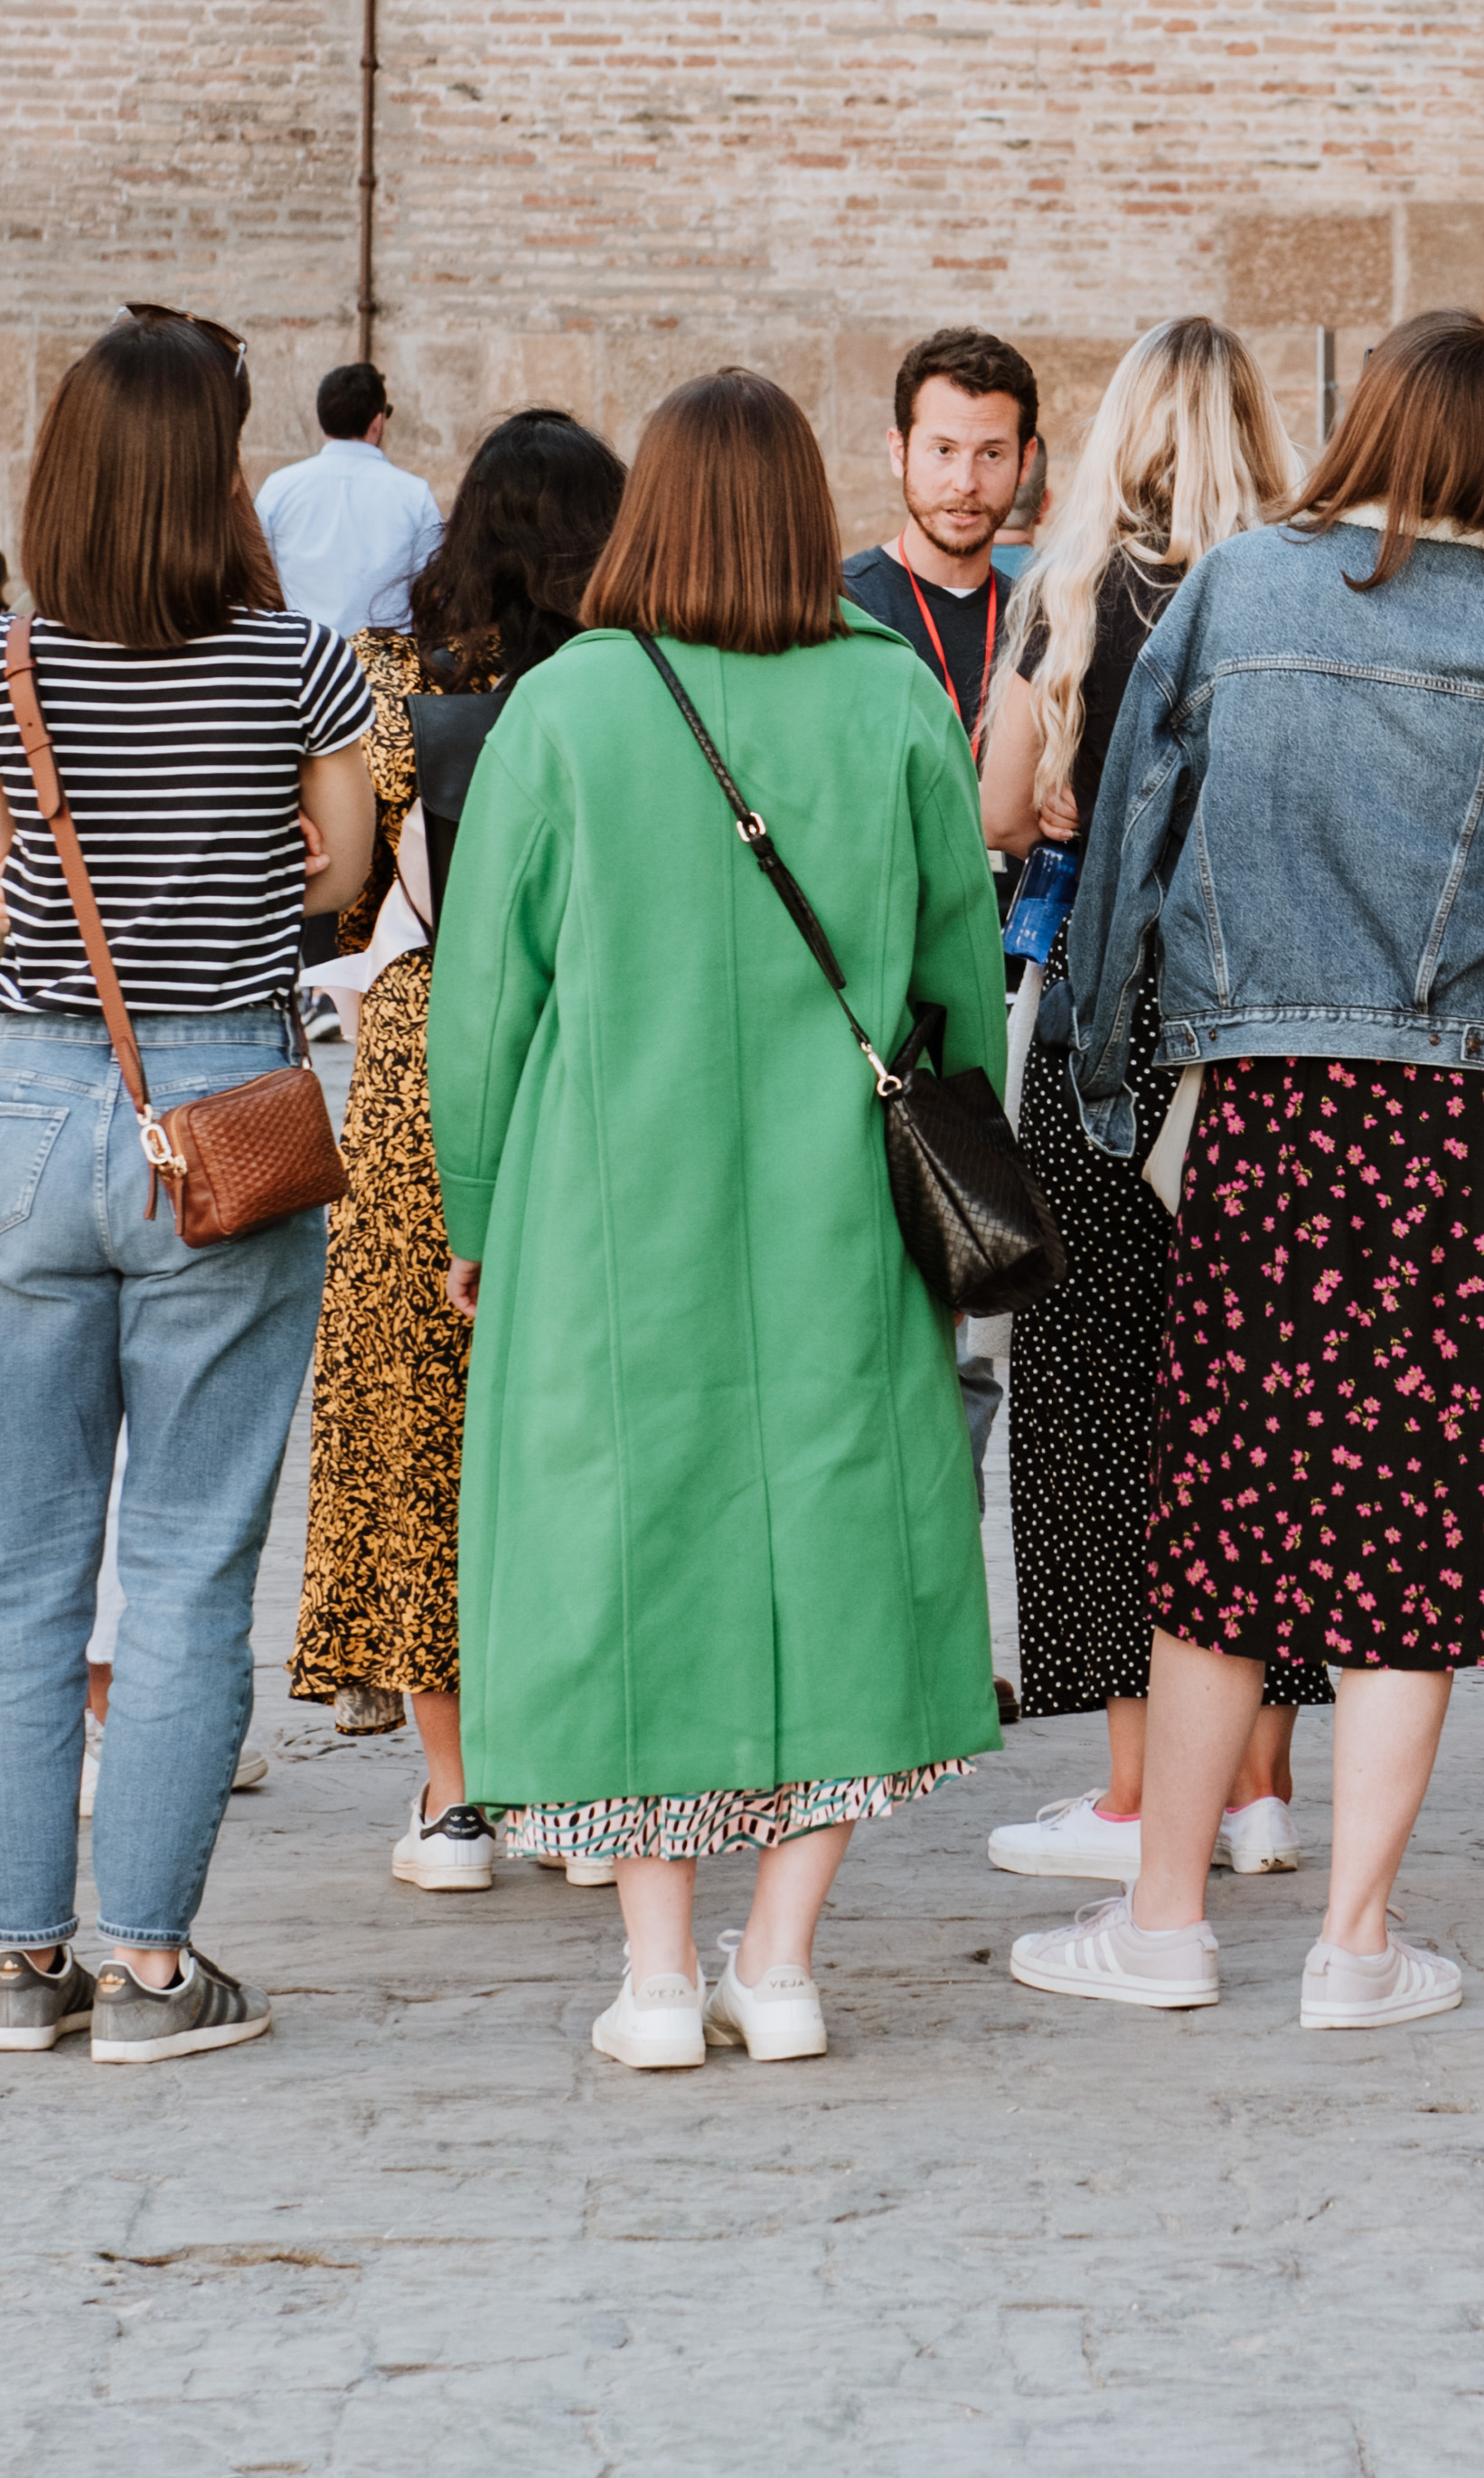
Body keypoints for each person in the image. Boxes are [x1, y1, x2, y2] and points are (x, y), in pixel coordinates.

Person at [1013, 309, 1484, 2031]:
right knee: (1421, 1538)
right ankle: (1355, 1941)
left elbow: (1126, 835)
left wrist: (1105, 1070)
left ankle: (1164, 1919)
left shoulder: (1238, 589)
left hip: (1266, 1117)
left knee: (1220, 1523)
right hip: (1458, 1139)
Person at [428, 370, 1010, 2068]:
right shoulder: (894, 695)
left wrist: (474, 1206)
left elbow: (485, 1002)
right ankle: (784, 1958)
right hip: (842, 1207)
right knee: (845, 1551)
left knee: (627, 1556)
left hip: (607, 1212)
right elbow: (960, 981)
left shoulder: (570, 708)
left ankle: (658, 1973)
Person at [0, 318, 380, 2064]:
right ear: (215, 474)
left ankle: (18, 1957)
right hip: (225, 1112)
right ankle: (152, 1969)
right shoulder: (301, 663)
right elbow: (338, 874)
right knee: (185, 1561)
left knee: (14, 1565)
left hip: (37, 1109)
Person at [967, 319, 1324, 1884]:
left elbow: (998, 810)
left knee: (1099, 1402)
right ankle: (1258, 1783)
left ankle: (1130, 1794)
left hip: (1110, 1021)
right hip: (1269, 1033)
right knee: (1260, 1401)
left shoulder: (1070, 597)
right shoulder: (1308, 592)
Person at [289, 405, 625, 1897]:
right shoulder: (636, 684)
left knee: (416, 1420)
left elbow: (342, 894)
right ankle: (585, 1776)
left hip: (427, 1056)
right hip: (597, 1046)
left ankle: (454, 1793)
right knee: (589, 1417)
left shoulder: (390, 685)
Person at [837, 326, 1038, 740]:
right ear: (900, 452)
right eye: (943, 450)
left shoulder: (1040, 624)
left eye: (991, 454)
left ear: (1025, 461)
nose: (965, 483)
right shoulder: (838, 608)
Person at [258, 361, 438, 637]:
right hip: (385, 658)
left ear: (320, 418)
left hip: (302, 651)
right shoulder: (415, 495)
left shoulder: (278, 488)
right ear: (377, 422)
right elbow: (432, 588)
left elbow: (259, 578)